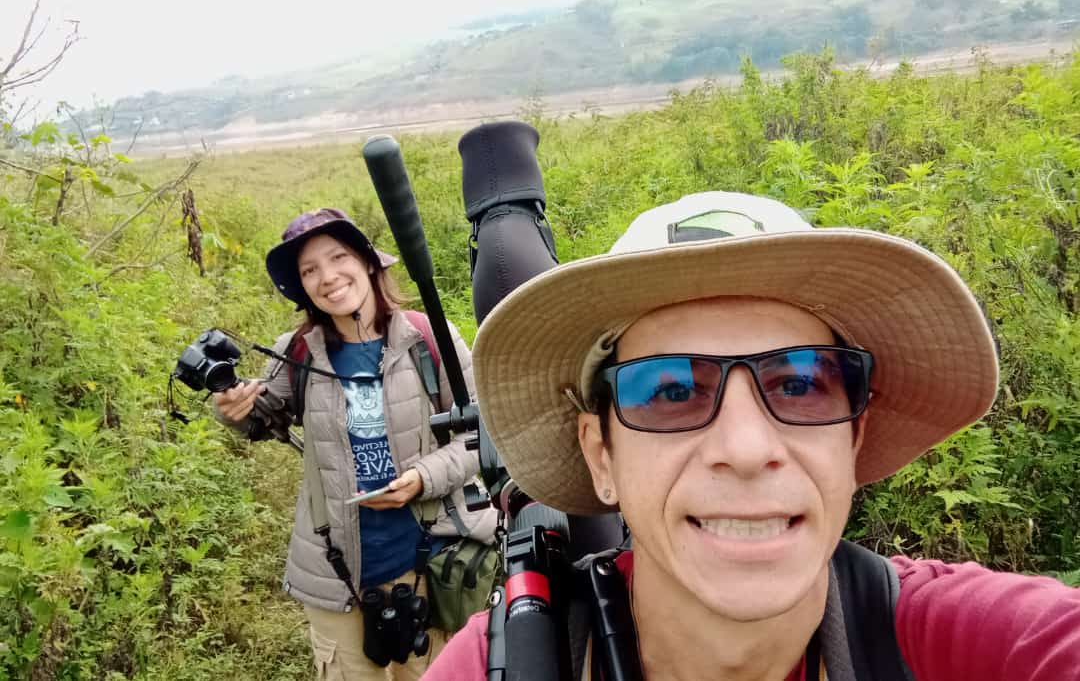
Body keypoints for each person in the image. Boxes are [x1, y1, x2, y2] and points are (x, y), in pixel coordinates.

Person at [423, 191, 1080, 680]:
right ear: (603, 455)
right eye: (672, 392)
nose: (744, 449)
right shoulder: (497, 665)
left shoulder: (981, 645)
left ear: (854, 437)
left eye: (798, 384)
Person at [213, 207, 495, 681]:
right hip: (334, 573)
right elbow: (265, 419)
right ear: (301, 286)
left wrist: (422, 478)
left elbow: (481, 434)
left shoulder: (427, 338)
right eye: (309, 270)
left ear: (367, 261)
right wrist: (234, 411)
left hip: (427, 563)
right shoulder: (298, 350)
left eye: (337, 257)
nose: (327, 277)